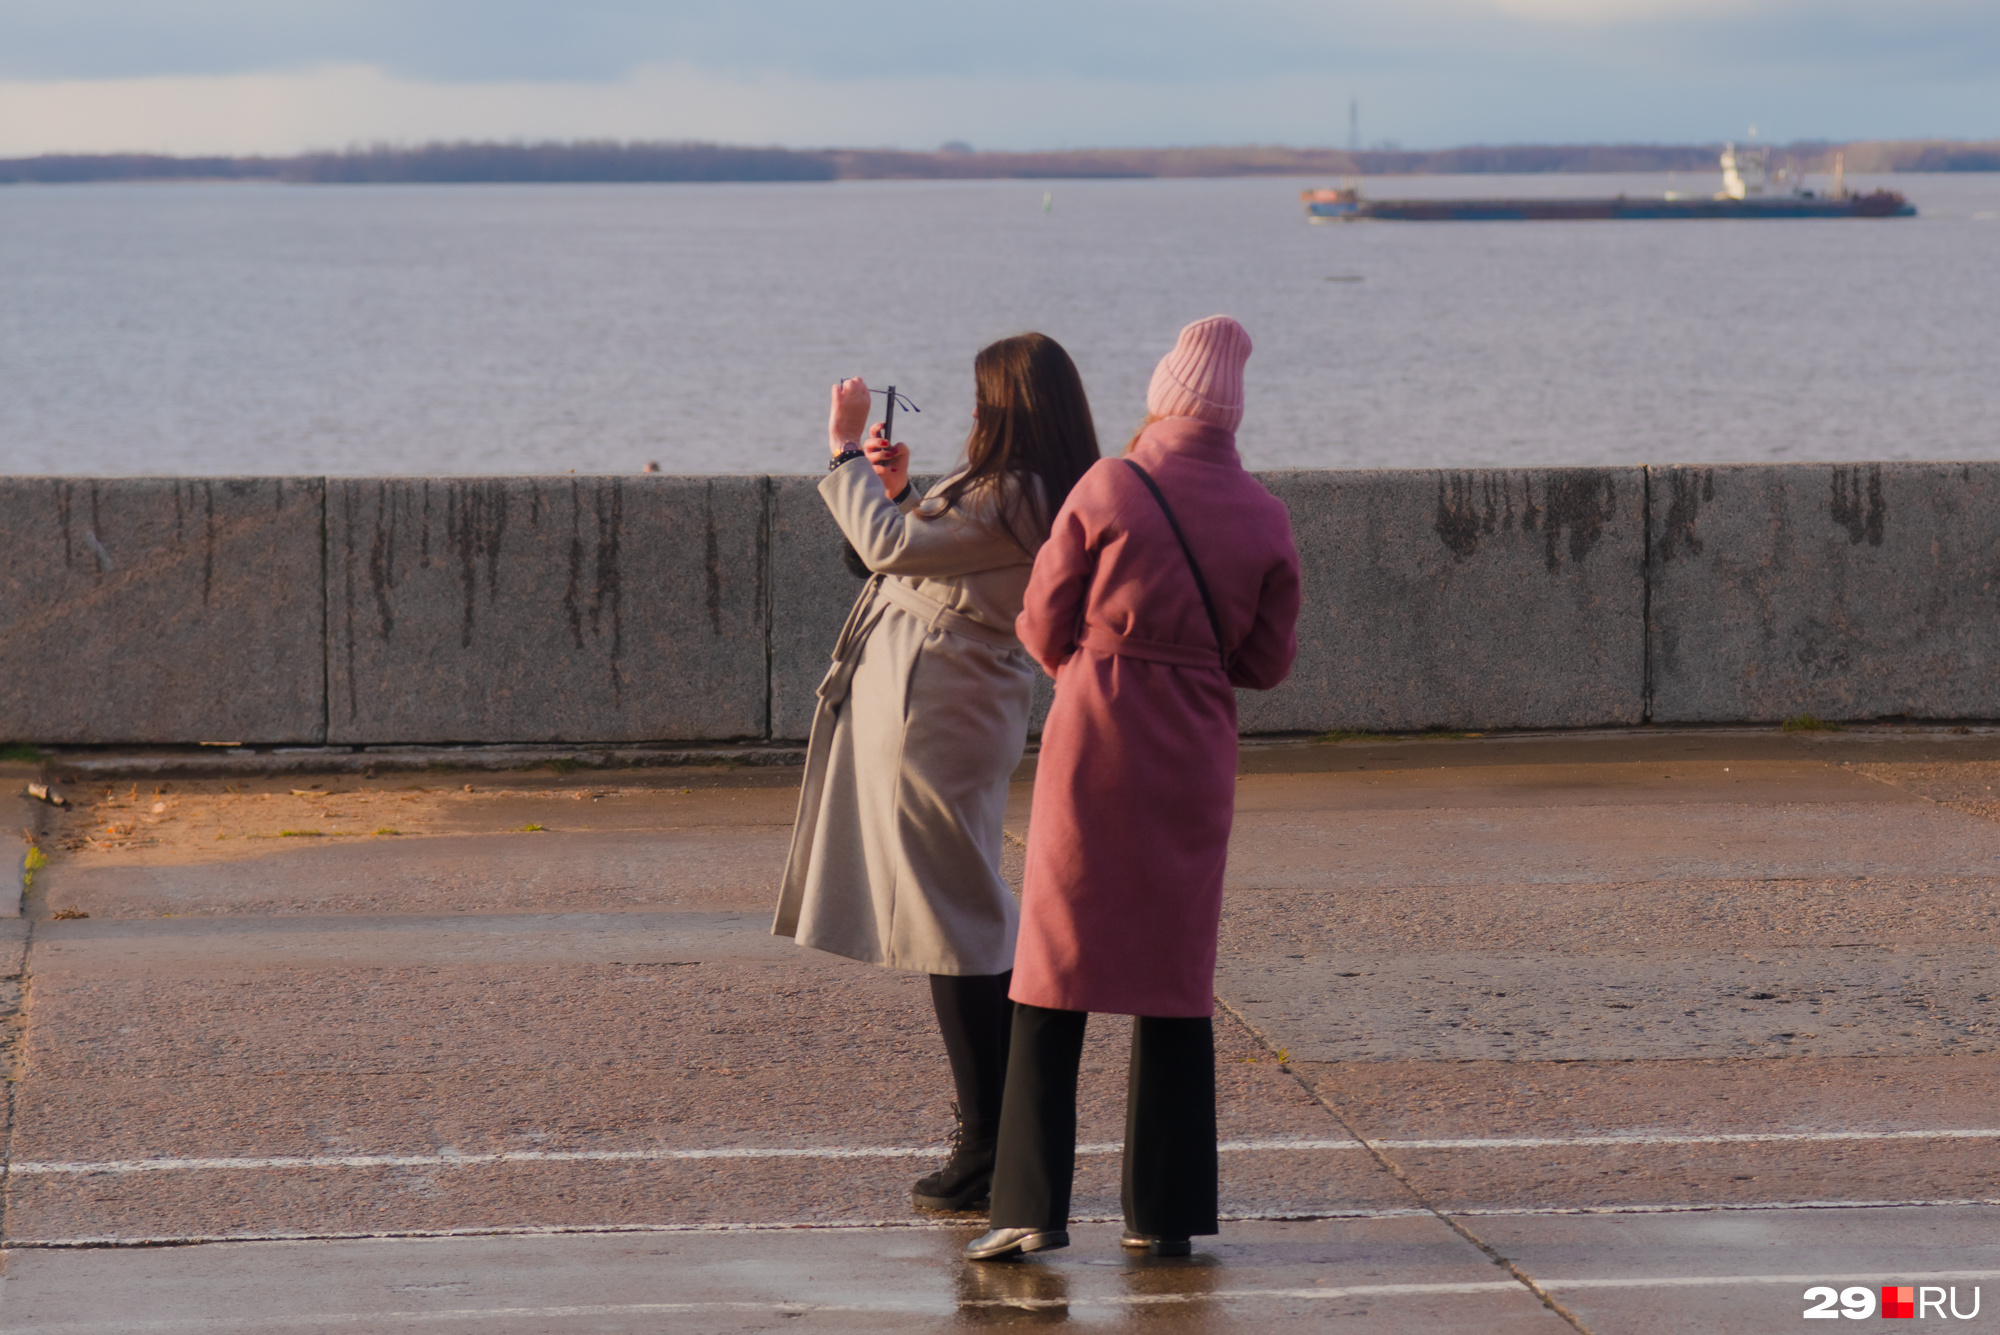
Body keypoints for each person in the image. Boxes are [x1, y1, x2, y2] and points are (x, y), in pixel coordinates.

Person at [965, 316, 1302, 1261]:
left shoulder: (1111, 484)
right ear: (1230, 415)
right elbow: (1268, 661)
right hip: (1195, 749)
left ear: (1164, 397)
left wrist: (1093, 660)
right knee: (1174, 975)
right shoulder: (1265, 515)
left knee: (1054, 963)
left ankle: (1028, 1201)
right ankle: (1166, 1211)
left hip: (1096, 739)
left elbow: (1041, 619)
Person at [773, 333, 1102, 1213]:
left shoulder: (1017, 491)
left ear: (1015, 404)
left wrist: (843, 448)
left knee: (952, 919)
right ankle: (991, 1134)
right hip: (946, 702)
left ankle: (987, 1142)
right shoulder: (1031, 487)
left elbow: (889, 550)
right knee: (952, 911)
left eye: (987, 397)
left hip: (938, 711)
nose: (976, 411)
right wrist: (899, 490)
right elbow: (915, 542)